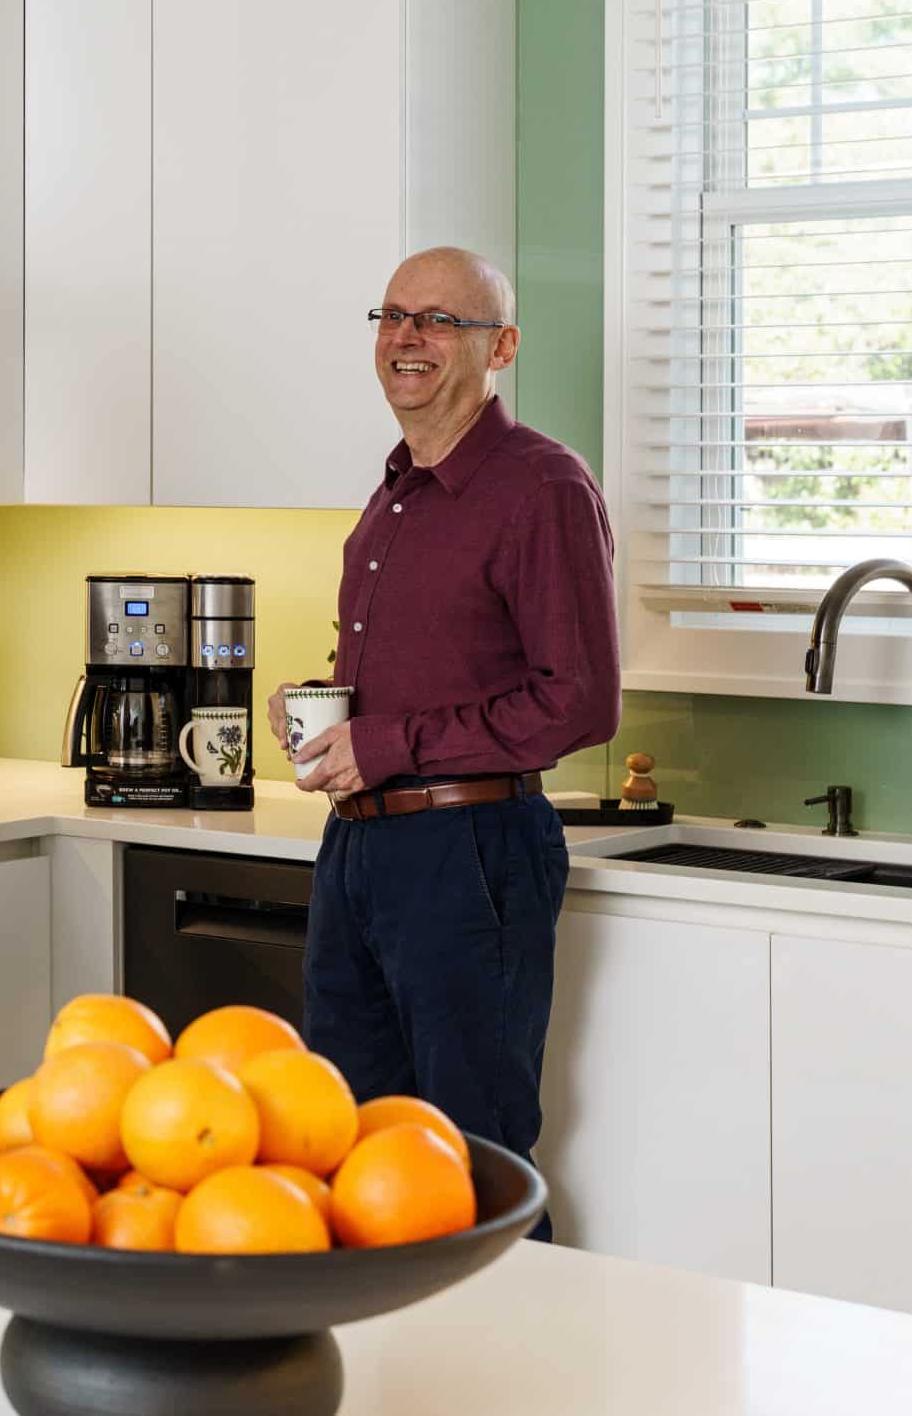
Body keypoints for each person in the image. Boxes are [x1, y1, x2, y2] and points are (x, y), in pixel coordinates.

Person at [271, 247, 619, 1237]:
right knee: (345, 1146)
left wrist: (386, 744)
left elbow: (579, 702)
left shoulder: (541, 486)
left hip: (469, 853)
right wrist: (319, 702)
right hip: (356, 849)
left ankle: (510, 1341)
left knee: (474, 1156)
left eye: (437, 320)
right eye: (391, 316)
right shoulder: (396, 489)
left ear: (500, 347)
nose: (406, 339)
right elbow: (427, 667)